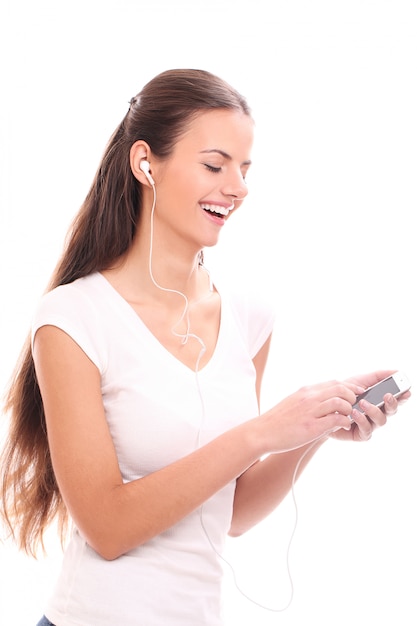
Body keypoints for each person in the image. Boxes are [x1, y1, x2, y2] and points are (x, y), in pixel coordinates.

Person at [0, 69, 410, 626]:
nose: (237, 186)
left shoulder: (249, 317)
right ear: (146, 163)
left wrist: (311, 430)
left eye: (244, 169)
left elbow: (232, 511)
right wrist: (263, 432)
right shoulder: (73, 318)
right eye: (215, 165)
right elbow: (108, 527)